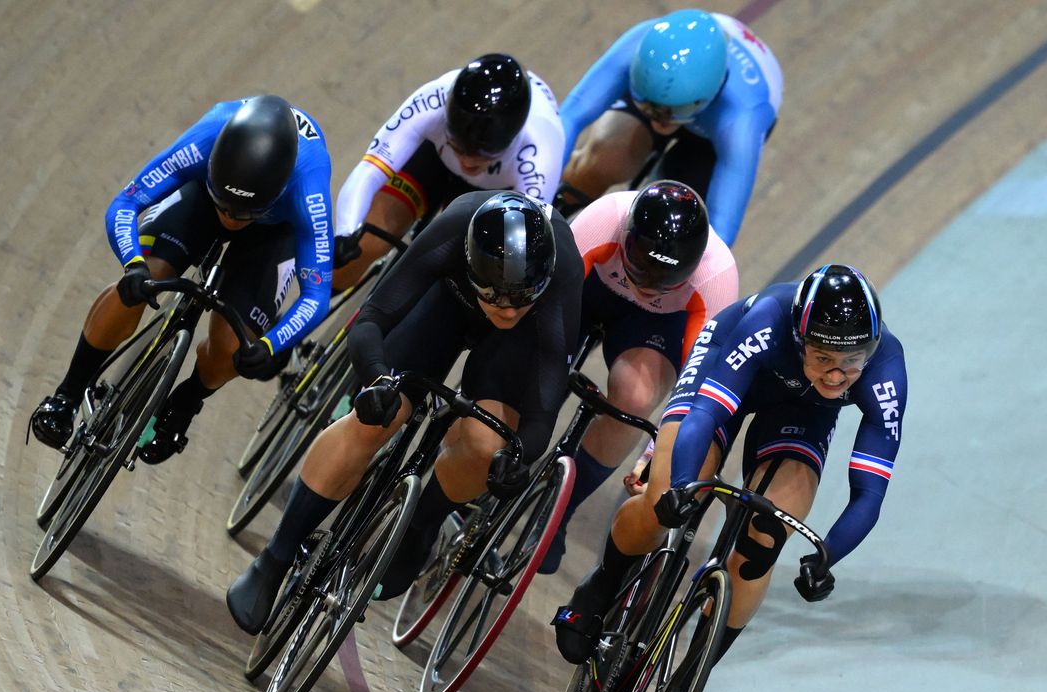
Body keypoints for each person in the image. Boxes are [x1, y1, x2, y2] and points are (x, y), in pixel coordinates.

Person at [552, 264, 907, 692]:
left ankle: (689, 682)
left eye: (852, 362)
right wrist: (679, 486)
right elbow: (706, 414)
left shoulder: (886, 367)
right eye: (824, 357)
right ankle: (601, 587)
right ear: (801, 341)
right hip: (727, 368)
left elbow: (869, 493)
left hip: (802, 413)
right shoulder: (767, 320)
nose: (838, 374)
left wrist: (827, 556)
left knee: (764, 542)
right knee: (666, 502)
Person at [227, 191, 585, 634]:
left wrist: (518, 456)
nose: (507, 308)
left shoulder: (563, 276)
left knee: (485, 444)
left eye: (521, 299)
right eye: (495, 296)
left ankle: (419, 527)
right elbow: (372, 319)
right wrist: (378, 381)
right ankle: (273, 559)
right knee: (374, 420)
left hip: (513, 347)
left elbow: (543, 408)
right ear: (472, 265)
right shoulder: (454, 229)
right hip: (446, 302)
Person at [29, 95, 334, 464]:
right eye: (224, 205)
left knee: (234, 344)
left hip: (273, 232)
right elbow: (125, 204)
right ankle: (67, 393)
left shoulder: (309, 187)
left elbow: (316, 293)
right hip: (199, 199)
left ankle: (188, 400)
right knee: (149, 278)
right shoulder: (206, 138)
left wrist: (271, 345)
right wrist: (133, 266)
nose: (230, 220)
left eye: (242, 214)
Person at [538, 179, 739, 575]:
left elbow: (695, 393)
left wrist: (653, 454)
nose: (646, 287)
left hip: (654, 325)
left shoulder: (717, 276)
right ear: (628, 237)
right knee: (538, 361)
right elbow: (544, 299)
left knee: (634, 402)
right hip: (587, 288)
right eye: (641, 271)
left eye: (664, 281)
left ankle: (556, 513)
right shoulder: (605, 217)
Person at [331, 53, 565, 292]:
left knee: (465, 277)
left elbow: (521, 250)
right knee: (369, 241)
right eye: (458, 146)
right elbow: (369, 171)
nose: (465, 160)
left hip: (494, 191)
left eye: (481, 154)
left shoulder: (540, 156)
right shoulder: (432, 101)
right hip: (434, 158)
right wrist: (346, 232)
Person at [559, 9, 782, 247]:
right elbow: (566, 121)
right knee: (607, 159)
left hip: (708, 140)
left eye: (674, 112)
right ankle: (560, 204)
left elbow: (721, 232)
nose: (659, 121)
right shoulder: (642, 46)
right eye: (650, 107)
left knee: (668, 223)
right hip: (672, 91)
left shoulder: (742, 119)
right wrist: (535, 195)